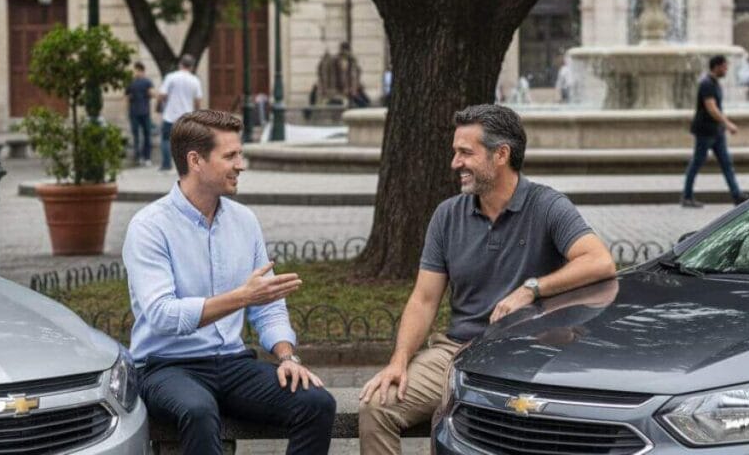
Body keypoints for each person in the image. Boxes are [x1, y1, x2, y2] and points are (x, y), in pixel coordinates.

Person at [357, 104, 616, 455]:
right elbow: (424, 300)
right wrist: (399, 360)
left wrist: (532, 289)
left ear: (501, 155)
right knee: (377, 406)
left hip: (521, 352)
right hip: (452, 352)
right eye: (455, 152)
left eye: (465, 152)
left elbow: (599, 261)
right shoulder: (447, 215)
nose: (455, 163)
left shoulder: (547, 206)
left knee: (455, 420)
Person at [123, 110, 336, 455]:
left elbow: (268, 306)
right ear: (196, 161)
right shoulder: (149, 226)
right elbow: (163, 315)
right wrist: (240, 297)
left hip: (233, 363)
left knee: (316, 403)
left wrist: (286, 356)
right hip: (166, 366)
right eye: (231, 155)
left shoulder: (244, 221)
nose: (242, 164)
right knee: (198, 410)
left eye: (240, 153)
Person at [682, 55, 747, 208]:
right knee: (697, 163)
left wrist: (723, 126)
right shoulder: (707, 84)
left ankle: (737, 195)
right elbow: (711, 108)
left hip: (716, 131)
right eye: (724, 67)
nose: (726, 70)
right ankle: (687, 196)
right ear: (716, 67)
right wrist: (728, 124)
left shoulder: (714, 83)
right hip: (705, 131)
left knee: (726, 164)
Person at [156, 54, 202, 171]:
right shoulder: (195, 80)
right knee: (186, 143)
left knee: (166, 139)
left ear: (180, 64)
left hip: (170, 116)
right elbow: (197, 100)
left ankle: (166, 165)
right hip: (186, 117)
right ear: (192, 66)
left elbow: (162, 95)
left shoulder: (171, 77)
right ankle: (186, 166)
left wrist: (158, 106)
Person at [125, 62, 155, 166]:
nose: (135, 72)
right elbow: (151, 93)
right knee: (143, 135)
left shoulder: (133, 82)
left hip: (138, 112)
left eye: (136, 70)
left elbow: (127, 98)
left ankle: (142, 157)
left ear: (140, 70)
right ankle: (144, 158)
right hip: (142, 112)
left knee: (141, 135)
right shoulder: (146, 82)